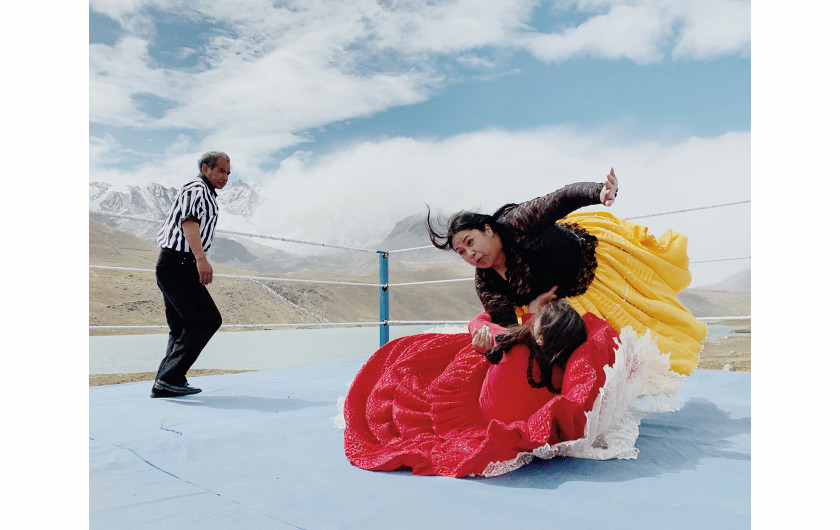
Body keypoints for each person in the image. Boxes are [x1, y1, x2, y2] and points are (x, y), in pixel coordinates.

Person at [342, 288, 681, 478]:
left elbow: (479, 325)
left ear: (538, 330)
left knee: (414, 360)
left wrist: (489, 320)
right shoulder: (565, 370)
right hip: (498, 414)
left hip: (470, 411)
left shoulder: (514, 345)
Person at [426, 168, 706, 375]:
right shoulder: (487, 283)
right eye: (461, 252)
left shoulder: (515, 223)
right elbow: (510, 332)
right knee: (581, 358)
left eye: (470, 242)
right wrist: (489, 346)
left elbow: (560, 198)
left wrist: (599, 192)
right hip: (560, 306)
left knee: (643, 332)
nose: (470, 254)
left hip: (588, 267)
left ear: (488, 229)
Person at [150, 151, 230, 398]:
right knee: (207, 319)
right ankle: (169, 378)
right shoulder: (196, 188)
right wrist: (201, 260)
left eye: (228, 173)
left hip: (176, 264)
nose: (225, 177)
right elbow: (189, 223)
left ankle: (168, 381)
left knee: (182, 326)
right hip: (178, 264)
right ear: (206, 168)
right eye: (220, 171)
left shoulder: (206, 192)